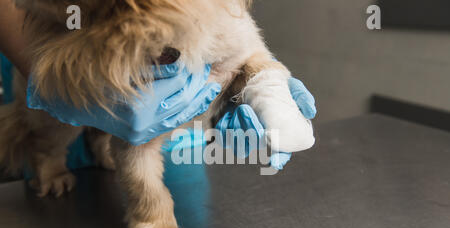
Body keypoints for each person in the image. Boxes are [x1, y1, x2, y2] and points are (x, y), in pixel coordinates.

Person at [0, 0, 316, 171]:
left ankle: (99, 144)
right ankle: (50, 160)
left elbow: (246, 53)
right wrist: (47, 74)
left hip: (183, 147)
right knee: (55, 129)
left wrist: (265, 89)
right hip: (58, 37)